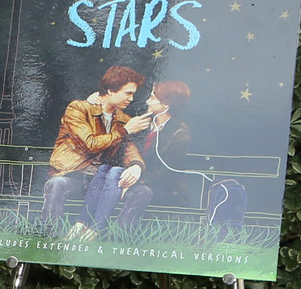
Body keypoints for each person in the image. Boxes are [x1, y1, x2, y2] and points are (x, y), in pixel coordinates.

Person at [41, 65, 150, 240]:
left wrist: (136, 166)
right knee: (57, 184)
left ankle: (116, 242)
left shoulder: (123, 119)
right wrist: (125, 131)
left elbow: (130, 149)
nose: (131, 99)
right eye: (128, 93)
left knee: (142, 192)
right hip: (76, 175)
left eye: (133, 94)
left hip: (104, 180)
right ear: (110, 90)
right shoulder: (79, 108)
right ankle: (50, 238)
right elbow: (90, 143)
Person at [99, 79, 195, 233]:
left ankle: (117, 235)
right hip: (132, 179)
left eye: (152, 98)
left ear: (166, 104)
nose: (147, 101)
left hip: (163, 189)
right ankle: (96, 228)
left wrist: (134, 181)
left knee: (143, 192)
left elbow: (167, 173)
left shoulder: (180, 133)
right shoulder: (141, 123)